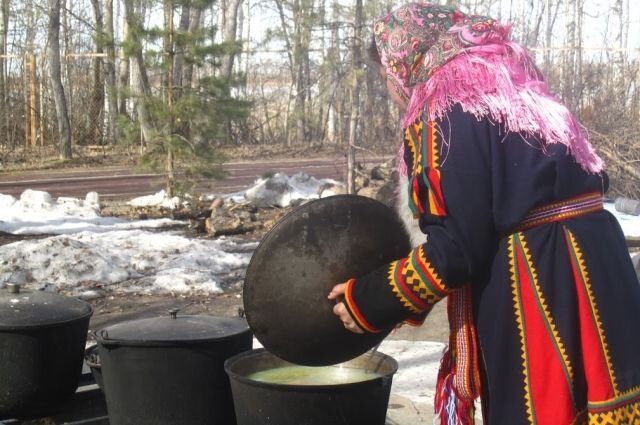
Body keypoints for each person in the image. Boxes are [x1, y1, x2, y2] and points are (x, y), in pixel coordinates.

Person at [327, 3, 640, 424]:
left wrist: (367, 299)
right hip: (600, 262)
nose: (390, 88)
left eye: (385, 76)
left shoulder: (444, 103)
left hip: (542, 278)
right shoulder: (513, 81)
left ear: (402, 62)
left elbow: (457, 249)